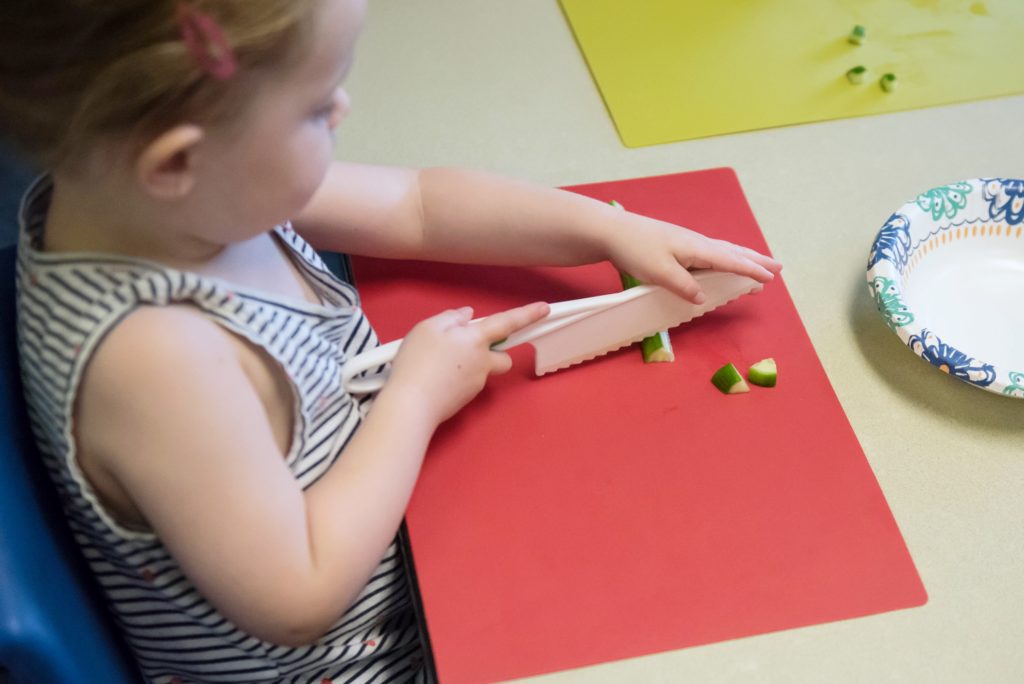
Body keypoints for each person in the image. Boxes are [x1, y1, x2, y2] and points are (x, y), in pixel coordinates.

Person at [0, 0, 782, 682]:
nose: (342, 108)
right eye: (313, 107)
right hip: (367, 657)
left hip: (415, 533)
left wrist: (606, 228)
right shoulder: (155, 358)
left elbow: (416, 205)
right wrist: (412, 399)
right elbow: (299, 595)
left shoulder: (174, 198)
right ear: (175, 160)